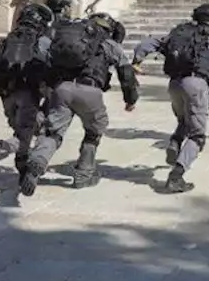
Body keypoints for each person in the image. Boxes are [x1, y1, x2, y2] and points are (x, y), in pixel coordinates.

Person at [132, 4, 209, 193]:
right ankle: (175, 177)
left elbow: (147, 44)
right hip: (196, 85)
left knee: (184, 120)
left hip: (174, 85)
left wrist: (136, 61)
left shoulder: (178, 33)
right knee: (197, 136)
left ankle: (175, 142)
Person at [19, 12, 138, 195]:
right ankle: (84, 173)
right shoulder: (110, 44)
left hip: (62, 89)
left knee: (53, 133)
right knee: (94, 131)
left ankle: (38, 160)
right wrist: (130, 99)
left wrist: (45, 85)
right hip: (90, 92)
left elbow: (42, 55)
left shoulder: (67, 37)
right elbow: (126, 74)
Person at [0, 3, 54, 183]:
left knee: (21, 130)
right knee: (29, 131)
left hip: (6, 92)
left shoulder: (9, 38)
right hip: (28, 93)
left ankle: (20, 168)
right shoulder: (42, 40)